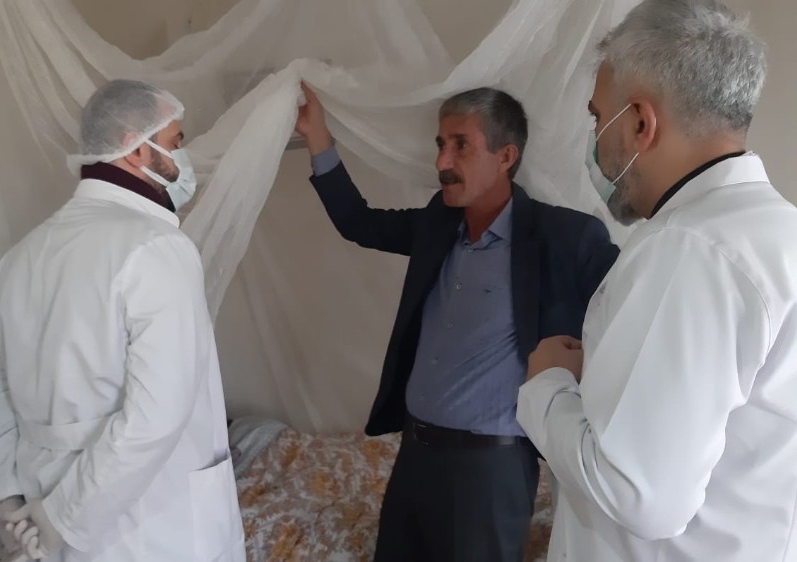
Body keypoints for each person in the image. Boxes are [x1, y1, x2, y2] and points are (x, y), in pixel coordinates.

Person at [517, 1, 797, 560]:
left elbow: (639, 494)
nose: (595, 140)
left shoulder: (690, 249)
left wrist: (547, 385)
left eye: (598, 118)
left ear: (641, 123)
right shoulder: (777, 231)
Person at [294, 84, 619, 561]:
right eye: (440, 145)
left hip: (493, 469)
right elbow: (358, 222)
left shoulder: (564, 236)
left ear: (506, 156)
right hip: (415, 454)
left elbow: (626, 316)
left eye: (460, 145)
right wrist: (317, 137)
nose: (441, 162)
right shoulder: (438, 224)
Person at [0, 79, 244, 561]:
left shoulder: (18, 259)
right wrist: (61, 519)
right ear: (135, 148)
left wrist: (6, 499)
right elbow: (156, 416)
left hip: (43, 517)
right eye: (176, 141)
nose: (183, 157)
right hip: (152, 527)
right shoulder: (156, 247)